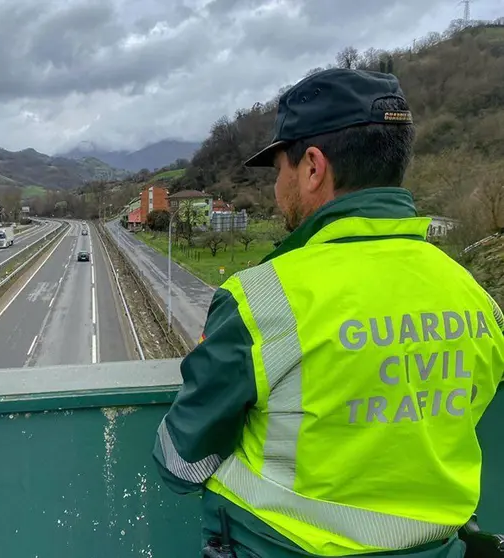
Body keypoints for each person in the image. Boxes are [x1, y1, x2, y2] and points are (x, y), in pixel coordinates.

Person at [152, 68, 504, 558]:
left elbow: (180, 462)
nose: (277, 192)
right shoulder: (473, 296)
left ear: (313, 167)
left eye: (280, 171)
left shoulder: (262, 300)